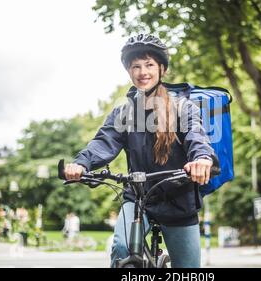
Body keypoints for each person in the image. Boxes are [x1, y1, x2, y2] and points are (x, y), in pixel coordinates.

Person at [64, 34, 218, 268]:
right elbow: (104, 142)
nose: (142, 72)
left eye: (149, 65)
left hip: (178, 200)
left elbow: (197, 136)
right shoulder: (124, 113)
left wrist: (202, 159)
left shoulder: (183, 108)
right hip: (138, 199)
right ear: (129, 72)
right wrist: (82, 164)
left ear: (162, 69)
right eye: (135, 66)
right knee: (122, 248)